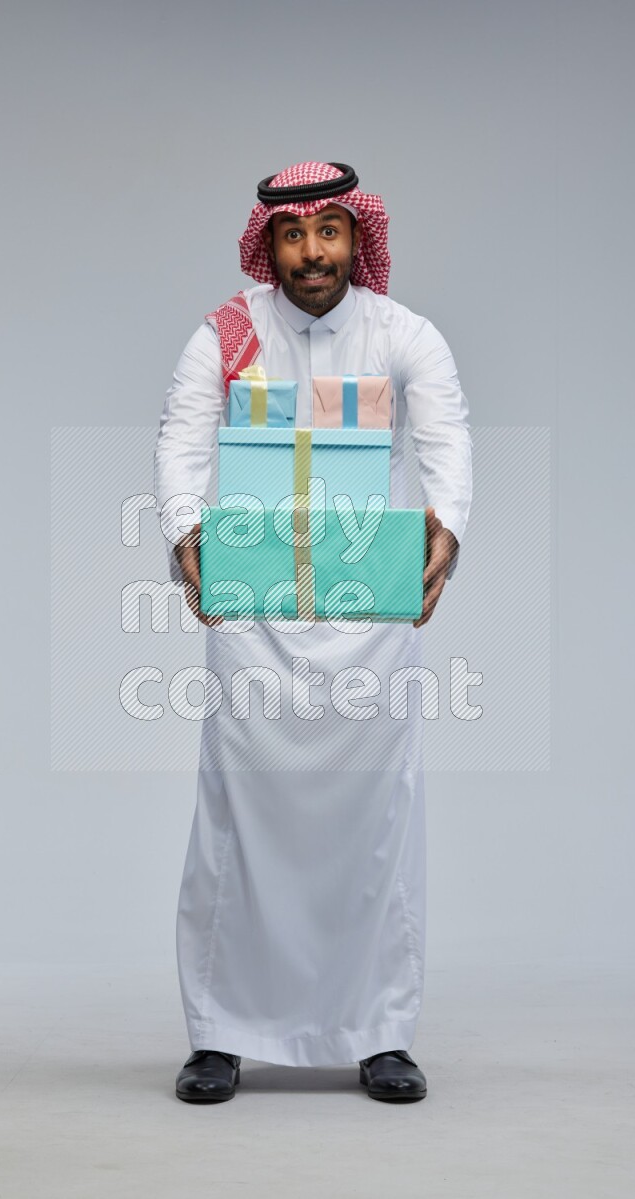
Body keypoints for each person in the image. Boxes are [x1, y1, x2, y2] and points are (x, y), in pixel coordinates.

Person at [154, 161, 472, 1104]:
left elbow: (447, 433)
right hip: (254, 606)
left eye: (329, 232)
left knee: (376, 818)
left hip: (368, 608)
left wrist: (449, 522)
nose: (312, 253)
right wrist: (183, 528)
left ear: (355, 238)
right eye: (294, 236)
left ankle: (380, 1032)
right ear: (271, 243)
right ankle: (219, 1032)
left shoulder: (400, 332)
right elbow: (183, 432)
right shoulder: (227, 332)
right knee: (239, 816)